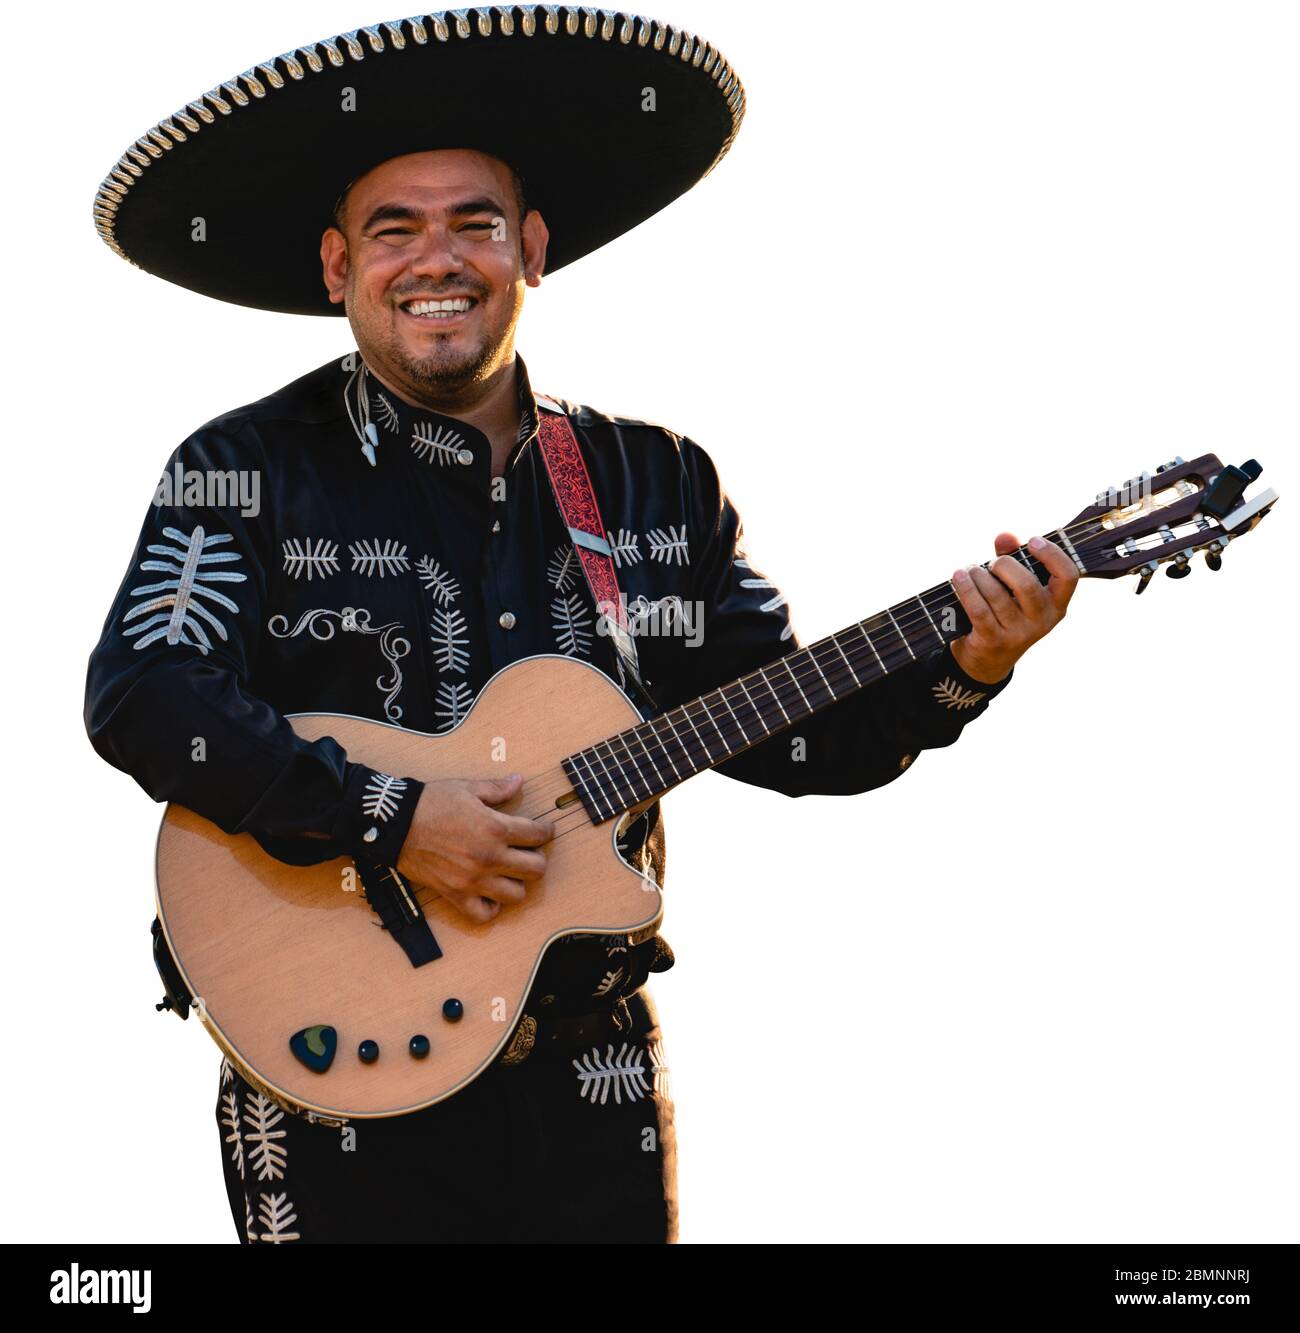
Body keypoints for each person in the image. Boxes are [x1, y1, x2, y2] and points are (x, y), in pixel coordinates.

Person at [84, 10, 1076, 1244]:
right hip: (336, 1084)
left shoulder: (657, 482)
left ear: (533, 250)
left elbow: (798, 734)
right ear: (338, 267)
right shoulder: (243, 466)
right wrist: (391, 818)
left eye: (475, 224)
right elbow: (144, 693)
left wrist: (969, 662)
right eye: (395, 229)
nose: (435, 259)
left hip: (594, 1079)